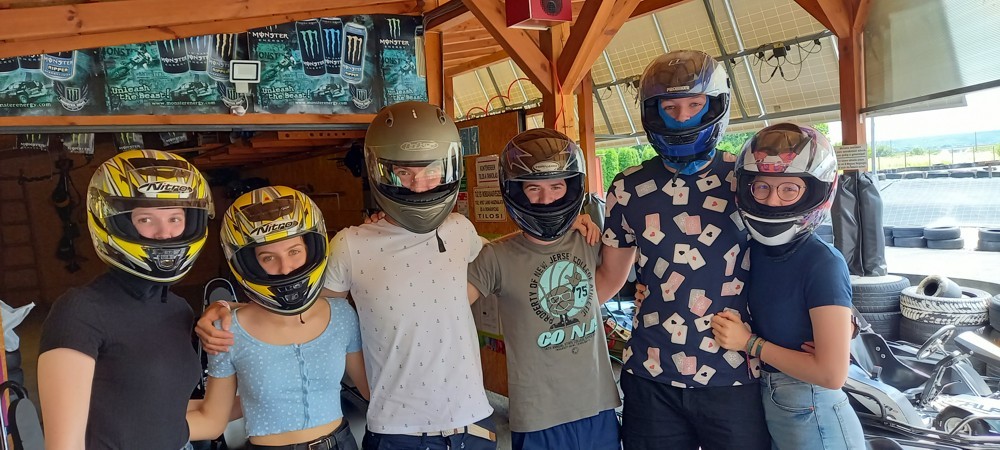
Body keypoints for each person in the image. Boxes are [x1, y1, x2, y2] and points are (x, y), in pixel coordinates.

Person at [197, 101, 497, 450]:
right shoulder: (351, 244)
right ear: (381, 171)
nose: (418, 186)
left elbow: (506, 257)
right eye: (404, 172)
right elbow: (300, 309)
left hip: (473, 421)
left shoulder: (461, 229)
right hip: (397, 427)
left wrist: (565, 230)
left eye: (430, 170)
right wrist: (229, 311)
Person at [594, 50, 770, 450]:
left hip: (734, 374)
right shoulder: (627, 187)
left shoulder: (747, 180)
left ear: (716, 105)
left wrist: (834, 316)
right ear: (653, 111)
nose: (683, 118)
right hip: (651, 376)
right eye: (670, 108)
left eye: (694, 105)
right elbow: (608, 277)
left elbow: (792, 256)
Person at [38, 149, 214, 450]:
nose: (165, 233)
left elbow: (163, 416)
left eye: (175, 218)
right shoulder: (79, 311)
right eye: (146, 218)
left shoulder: (178, 309)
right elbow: (64, 445)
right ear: (116, 223)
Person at [710, 123, 865, 449]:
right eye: (761, 187)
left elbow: (832, 374)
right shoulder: (753, 250)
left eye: (789, 189)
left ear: (815, 191)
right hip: (774, 400)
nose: (773, 201)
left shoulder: (822, 261)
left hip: (814, 410)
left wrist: (749, 343)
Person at [466, 129, 620, 450]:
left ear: (571, 188)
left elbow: (620, 274)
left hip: (598, 406)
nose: (547, 199)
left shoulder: (588, 239)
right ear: (516, 191)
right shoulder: (495, 256)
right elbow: (443, 311)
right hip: (538, 416)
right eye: (533, 188)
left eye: (557, 186)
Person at [187, 186, 370, 450]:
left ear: (311, 248)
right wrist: (131, 424)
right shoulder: (227, 329)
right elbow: (212, 420)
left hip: (341, 443)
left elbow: (371, 391)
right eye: (268, 257)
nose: (285, 268)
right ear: (250, 263)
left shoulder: (340, 314)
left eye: (294, 251)